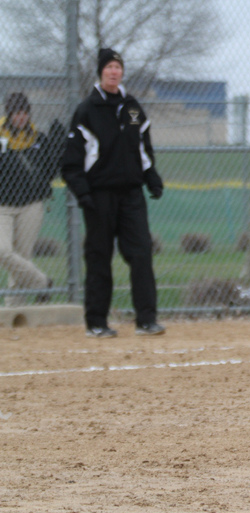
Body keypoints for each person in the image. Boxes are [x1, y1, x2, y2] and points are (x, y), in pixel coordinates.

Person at [62, 48, 165, 338]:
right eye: (108, 67)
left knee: (142, 253)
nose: (113, 71)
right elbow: (71, 163)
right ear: (100, 72)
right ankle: (96, 322)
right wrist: (83, 194)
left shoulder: (133, 108)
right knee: (99, 257)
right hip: (99, 196)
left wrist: (151, 178)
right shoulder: (87, 110)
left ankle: (146, 320)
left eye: (117, 66)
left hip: (131, 194)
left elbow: (143, 151)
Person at [0, 92, 62, 306]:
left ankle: (14, 311)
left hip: (31, 204)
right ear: (8, 114)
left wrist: (56, 148)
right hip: (3, 206)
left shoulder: (38, 138)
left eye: (25, 113)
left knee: (23, 257)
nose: (21, 117)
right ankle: (42, 282)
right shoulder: (0, 136)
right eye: (17, 113)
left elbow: (50, 172)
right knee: (4, 251)